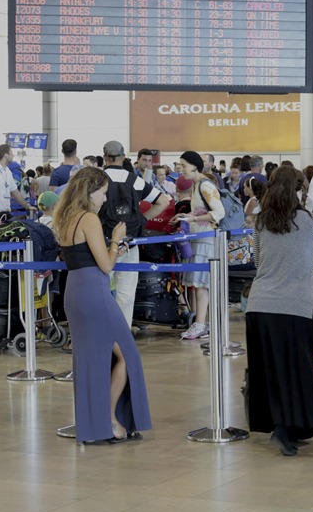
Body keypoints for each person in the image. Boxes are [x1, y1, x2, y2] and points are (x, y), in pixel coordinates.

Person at [53, 166, 152, 444]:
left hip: (74, 290)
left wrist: (112, 249)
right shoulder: (89, 219)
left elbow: (86, 257)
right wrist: (117, 240)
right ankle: (109, 421)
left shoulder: (65, 217)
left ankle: (98, 424)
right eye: (103, 193)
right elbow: (106, 265)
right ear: (91, 191)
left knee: (91, 360)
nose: (106, 200)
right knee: (127, 355)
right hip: (94, 292)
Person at [245, 166, 313, 456]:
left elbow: (259, 261)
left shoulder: (261, 221)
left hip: (260, 305)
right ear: (300, 190)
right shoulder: (312, 221)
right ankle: (288, 429)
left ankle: (280, 425)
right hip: (294, 307)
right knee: (297, 370)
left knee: (268, 369)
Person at [100, 141, 170, 330]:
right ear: (123, 157)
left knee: (100, 290)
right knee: (126, 293)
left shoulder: (98, 179)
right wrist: (141, 220)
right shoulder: (135, 180)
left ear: (105, 157)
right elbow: (162, 201)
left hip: (102, 242)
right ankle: (123, 335)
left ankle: (101, 333)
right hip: (130, 242)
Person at [173, 151, 225, 340]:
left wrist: (193, 217)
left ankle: (201, 324)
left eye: (183, 165)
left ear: (194, 166)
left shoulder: (205, 185)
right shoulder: (198, 185)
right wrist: (184, 217)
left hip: (206, 240)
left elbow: (219, 212)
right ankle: (203, 324)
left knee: (202, 285)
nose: (181, 169)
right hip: (200, 238)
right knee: (200, 284)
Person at [0, 144, 34, 219]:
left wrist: (28, 206)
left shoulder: (7, 171)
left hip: (6, 214)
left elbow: (16, 193)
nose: (13, 155)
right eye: (11, 153)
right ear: (6, 156)